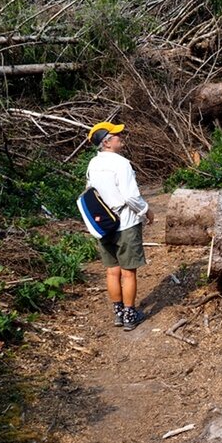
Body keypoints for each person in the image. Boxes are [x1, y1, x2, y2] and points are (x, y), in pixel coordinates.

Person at [85, 121, 154, 331]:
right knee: (128, 272)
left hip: (104, 225)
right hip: (125, 223)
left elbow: (90, 191)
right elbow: (131, 196)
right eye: (116, 135)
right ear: (107, 142)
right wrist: (147, 211)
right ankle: (130, 315)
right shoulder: (121, 163)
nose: (120, 137)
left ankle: (118, 313)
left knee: (112, 271)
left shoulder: (93, 164)